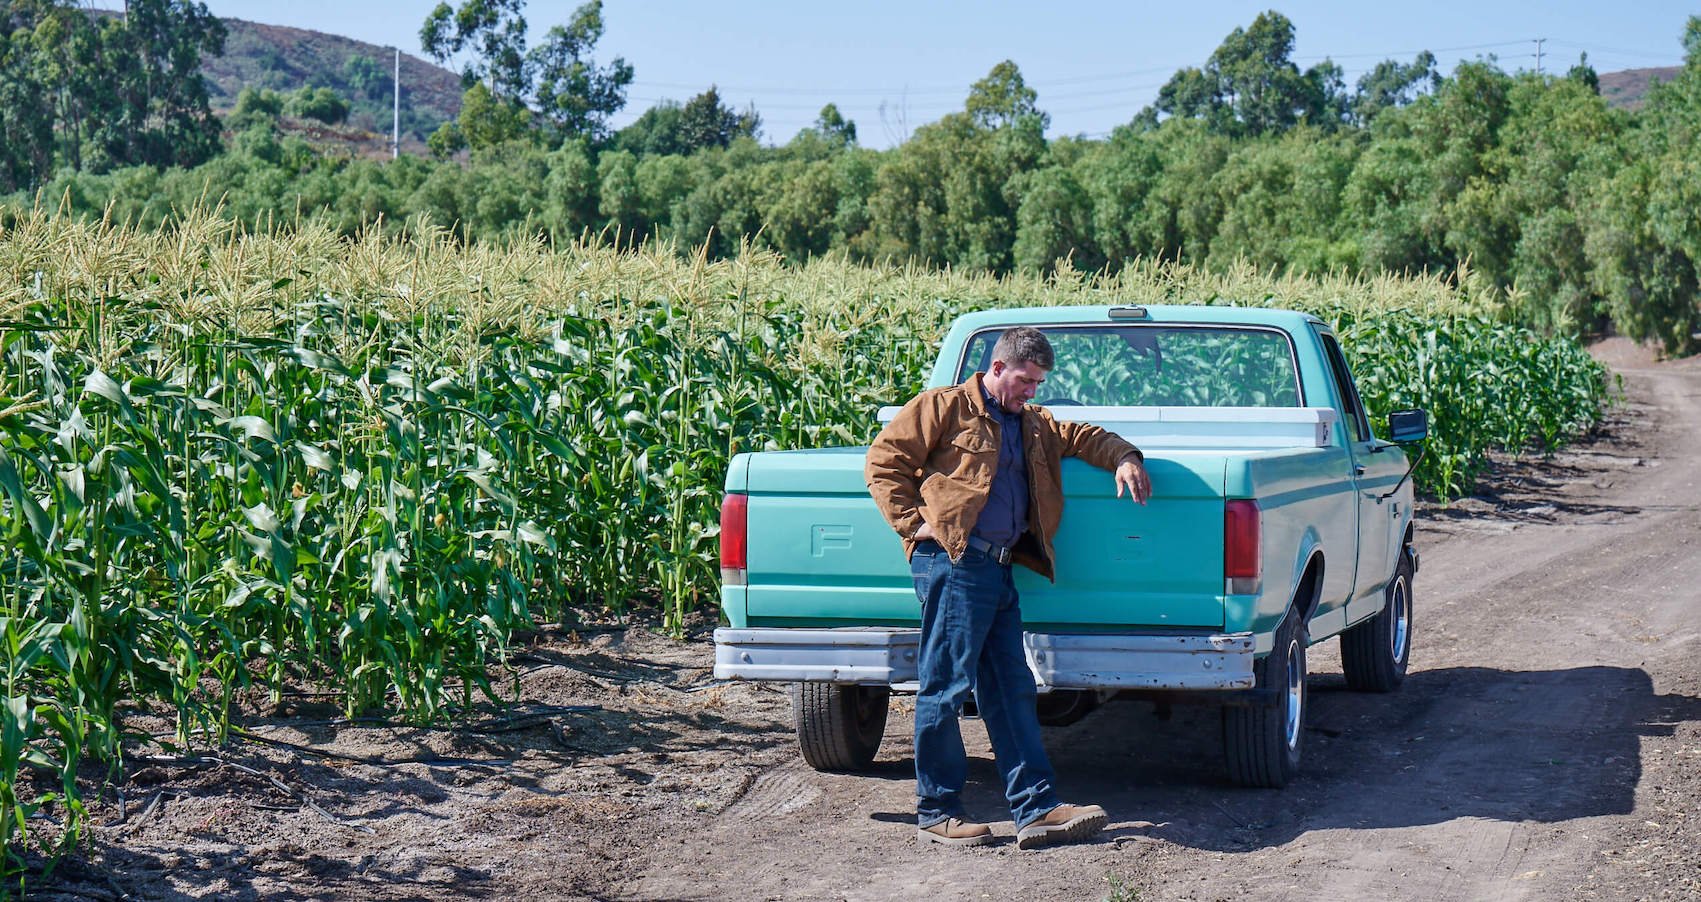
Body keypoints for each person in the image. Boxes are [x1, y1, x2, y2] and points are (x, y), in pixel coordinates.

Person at [864, 326, 1151, 850]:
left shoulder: (1035, 424)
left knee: (1011, 689)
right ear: (998, 368)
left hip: (998, 568)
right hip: (954, 563)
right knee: (946, 685)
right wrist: (913, 523)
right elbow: (884, 462)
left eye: (1039, 383)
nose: (1032, 391)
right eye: (1026, 380)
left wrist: (1126, 456)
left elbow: (1085, 437)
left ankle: (1036, 809)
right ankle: (937, 810)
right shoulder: (943, 407)